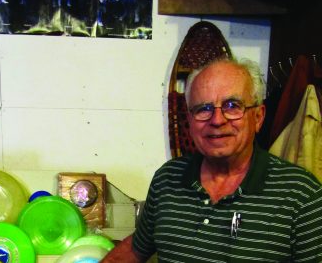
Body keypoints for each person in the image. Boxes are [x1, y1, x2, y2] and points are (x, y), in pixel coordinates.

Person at [101, 58, 322, 262]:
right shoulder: (167, 179)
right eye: (203, 109)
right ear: (190, 121)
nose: (217, 120)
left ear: (258, 116)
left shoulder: (302, 195)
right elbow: (136, 248)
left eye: (232, 106)